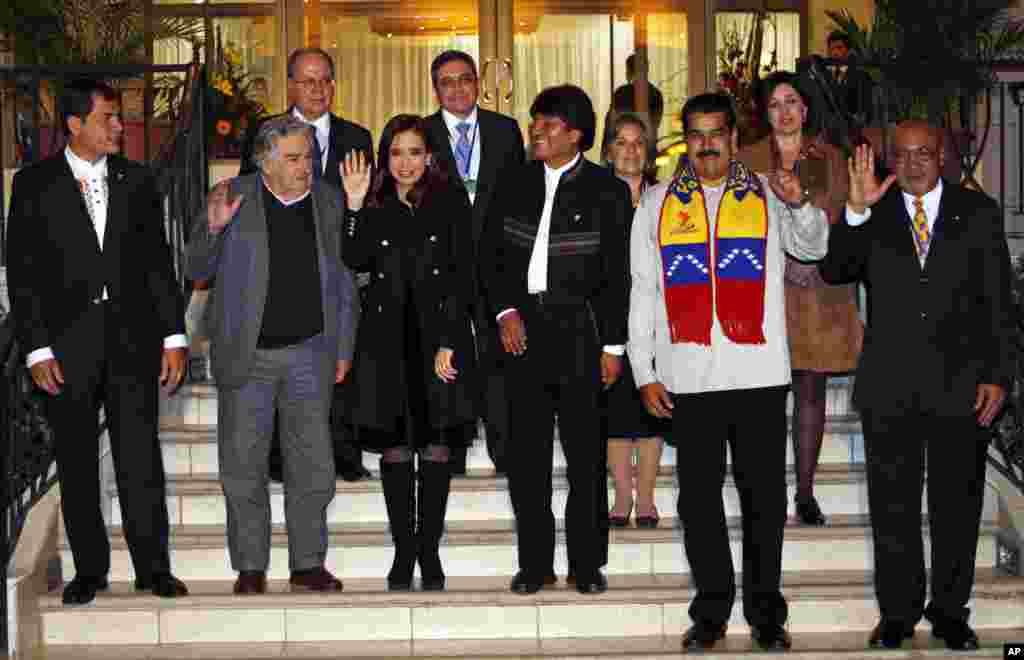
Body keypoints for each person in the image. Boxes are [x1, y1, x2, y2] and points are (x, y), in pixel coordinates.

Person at [629, 92, 829, 652]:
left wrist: (800, 205)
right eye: (696, 134)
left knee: (763, 500)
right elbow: (644, 293)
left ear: (735, 139)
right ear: (684, 141)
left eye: (717, 133)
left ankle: (767, 614)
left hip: (758, 374)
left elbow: (815, 248)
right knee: (697, 502)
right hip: (686, 377)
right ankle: (711, 611)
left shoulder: (768, 194)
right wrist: (644, 370)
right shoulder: (656, 203)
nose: (708, 144)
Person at [819, 121, 1015, 651]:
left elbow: (999, 301)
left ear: (943, 156)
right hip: (891, 387)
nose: (913, 163)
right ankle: (899, 614)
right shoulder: (873, 213)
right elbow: (837, 270)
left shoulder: (979, 214)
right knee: (893, 509)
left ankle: (951, 613)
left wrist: (998, 375)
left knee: (957, 508)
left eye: (924, 152)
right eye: (902, 154)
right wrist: (854, 211)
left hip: (962, 386)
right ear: (890, 159)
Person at [7, 78, 189, 605]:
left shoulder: (138, 180)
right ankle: (89, 570)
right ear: (75, 124)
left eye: (119, 118)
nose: (119, 127)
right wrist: (37, 348)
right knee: (78, 460)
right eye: (108, 117)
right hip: (66, 348)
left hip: (133, 342)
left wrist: (173, 335)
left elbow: (158, 264)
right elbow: (23, 273)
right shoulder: (35, 183)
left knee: (139, 457)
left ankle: (154, 568)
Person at [186, 116, 359, 595]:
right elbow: (194, 266)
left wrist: (343, 346)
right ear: (265, 162)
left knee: (313, 466)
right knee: (243, 466)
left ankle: (307, 563)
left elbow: (345, 281)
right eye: (294, 159)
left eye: (309, 156)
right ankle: (250, 566)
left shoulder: (328, 200)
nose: (306, 167)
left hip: (311, 353)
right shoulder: (233, 195)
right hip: (248, 354)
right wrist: (214, 230)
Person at [482, 84, 632, 595]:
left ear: (576, 135)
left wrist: (614, 346)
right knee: (527, 461)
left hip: (581, 336)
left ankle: (586, 565)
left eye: (548, 125)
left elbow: (618, 276)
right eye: (535, 122)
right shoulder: (512, 182)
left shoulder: (607, 191)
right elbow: (491, 258)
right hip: (522, 333)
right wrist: (505, 312)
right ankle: (535, 564)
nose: (537, 132)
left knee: (586, 460)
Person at [338, 115, 478, 592]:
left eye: (414, 152)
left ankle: (429, 550)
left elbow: (464, 278)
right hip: (385, 342)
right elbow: (353, 258)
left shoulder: (450, 202)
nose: (405, 163)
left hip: (439, 340)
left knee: (436, 446)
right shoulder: (373, 203)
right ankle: (403, 551)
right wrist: (354, 202)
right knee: (396, 447)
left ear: (430, 157)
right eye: (396, 153)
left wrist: (451, 341)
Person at [239, 47, 373, 482]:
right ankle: (280, 460)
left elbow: (363, 203)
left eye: (326, 80)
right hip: (285, 268)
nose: (319, 89)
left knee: (340, 362)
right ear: (292, 85)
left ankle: (343, 455)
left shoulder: (357, 136)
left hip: (337, 267)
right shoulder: (266, 132)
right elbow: (249, 197)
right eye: (309, 80)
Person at [737, 72, 863, 526]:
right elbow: (737, 221)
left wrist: (813, 260)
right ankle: (763, 489)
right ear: (765, 113)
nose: (785, 111)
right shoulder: (745, 158)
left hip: (819, 289)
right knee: (764, 394)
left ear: (806, 110)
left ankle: (805, 492)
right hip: (762, 286)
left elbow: (844, 216)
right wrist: (778, 261)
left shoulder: (830, 156)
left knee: (810, 385)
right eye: (775, 104)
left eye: (792, 102)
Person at [422, 50, 526, 476]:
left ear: (478, 84)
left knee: (499, 360)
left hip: (498, 264)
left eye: (465, 79)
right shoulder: (422, 133)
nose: (458, 88)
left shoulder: (505, 130)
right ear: (436, 89)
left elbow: (520, 197)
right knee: (450, 358)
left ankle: (505, 448)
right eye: (447, 82)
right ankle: (455, 447)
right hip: (443, 266)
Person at [603, 113, 669, 529]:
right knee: (612, 412)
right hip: (607, 318)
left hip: (657, 318)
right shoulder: (591, 195)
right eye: (622, 143)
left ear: (648, 154)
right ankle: (622, 495)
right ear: (608, 151)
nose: (630, 150)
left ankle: (646, 496)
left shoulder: (664, 197)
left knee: (650, 410)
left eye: (638, 143)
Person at [825, 31, 874, 123]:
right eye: (831, 49)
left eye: (839, 48)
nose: (835, 52)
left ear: (848, 50)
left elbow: (865, 104)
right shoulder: (822, 72)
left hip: (852, 124)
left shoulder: (859, 73)